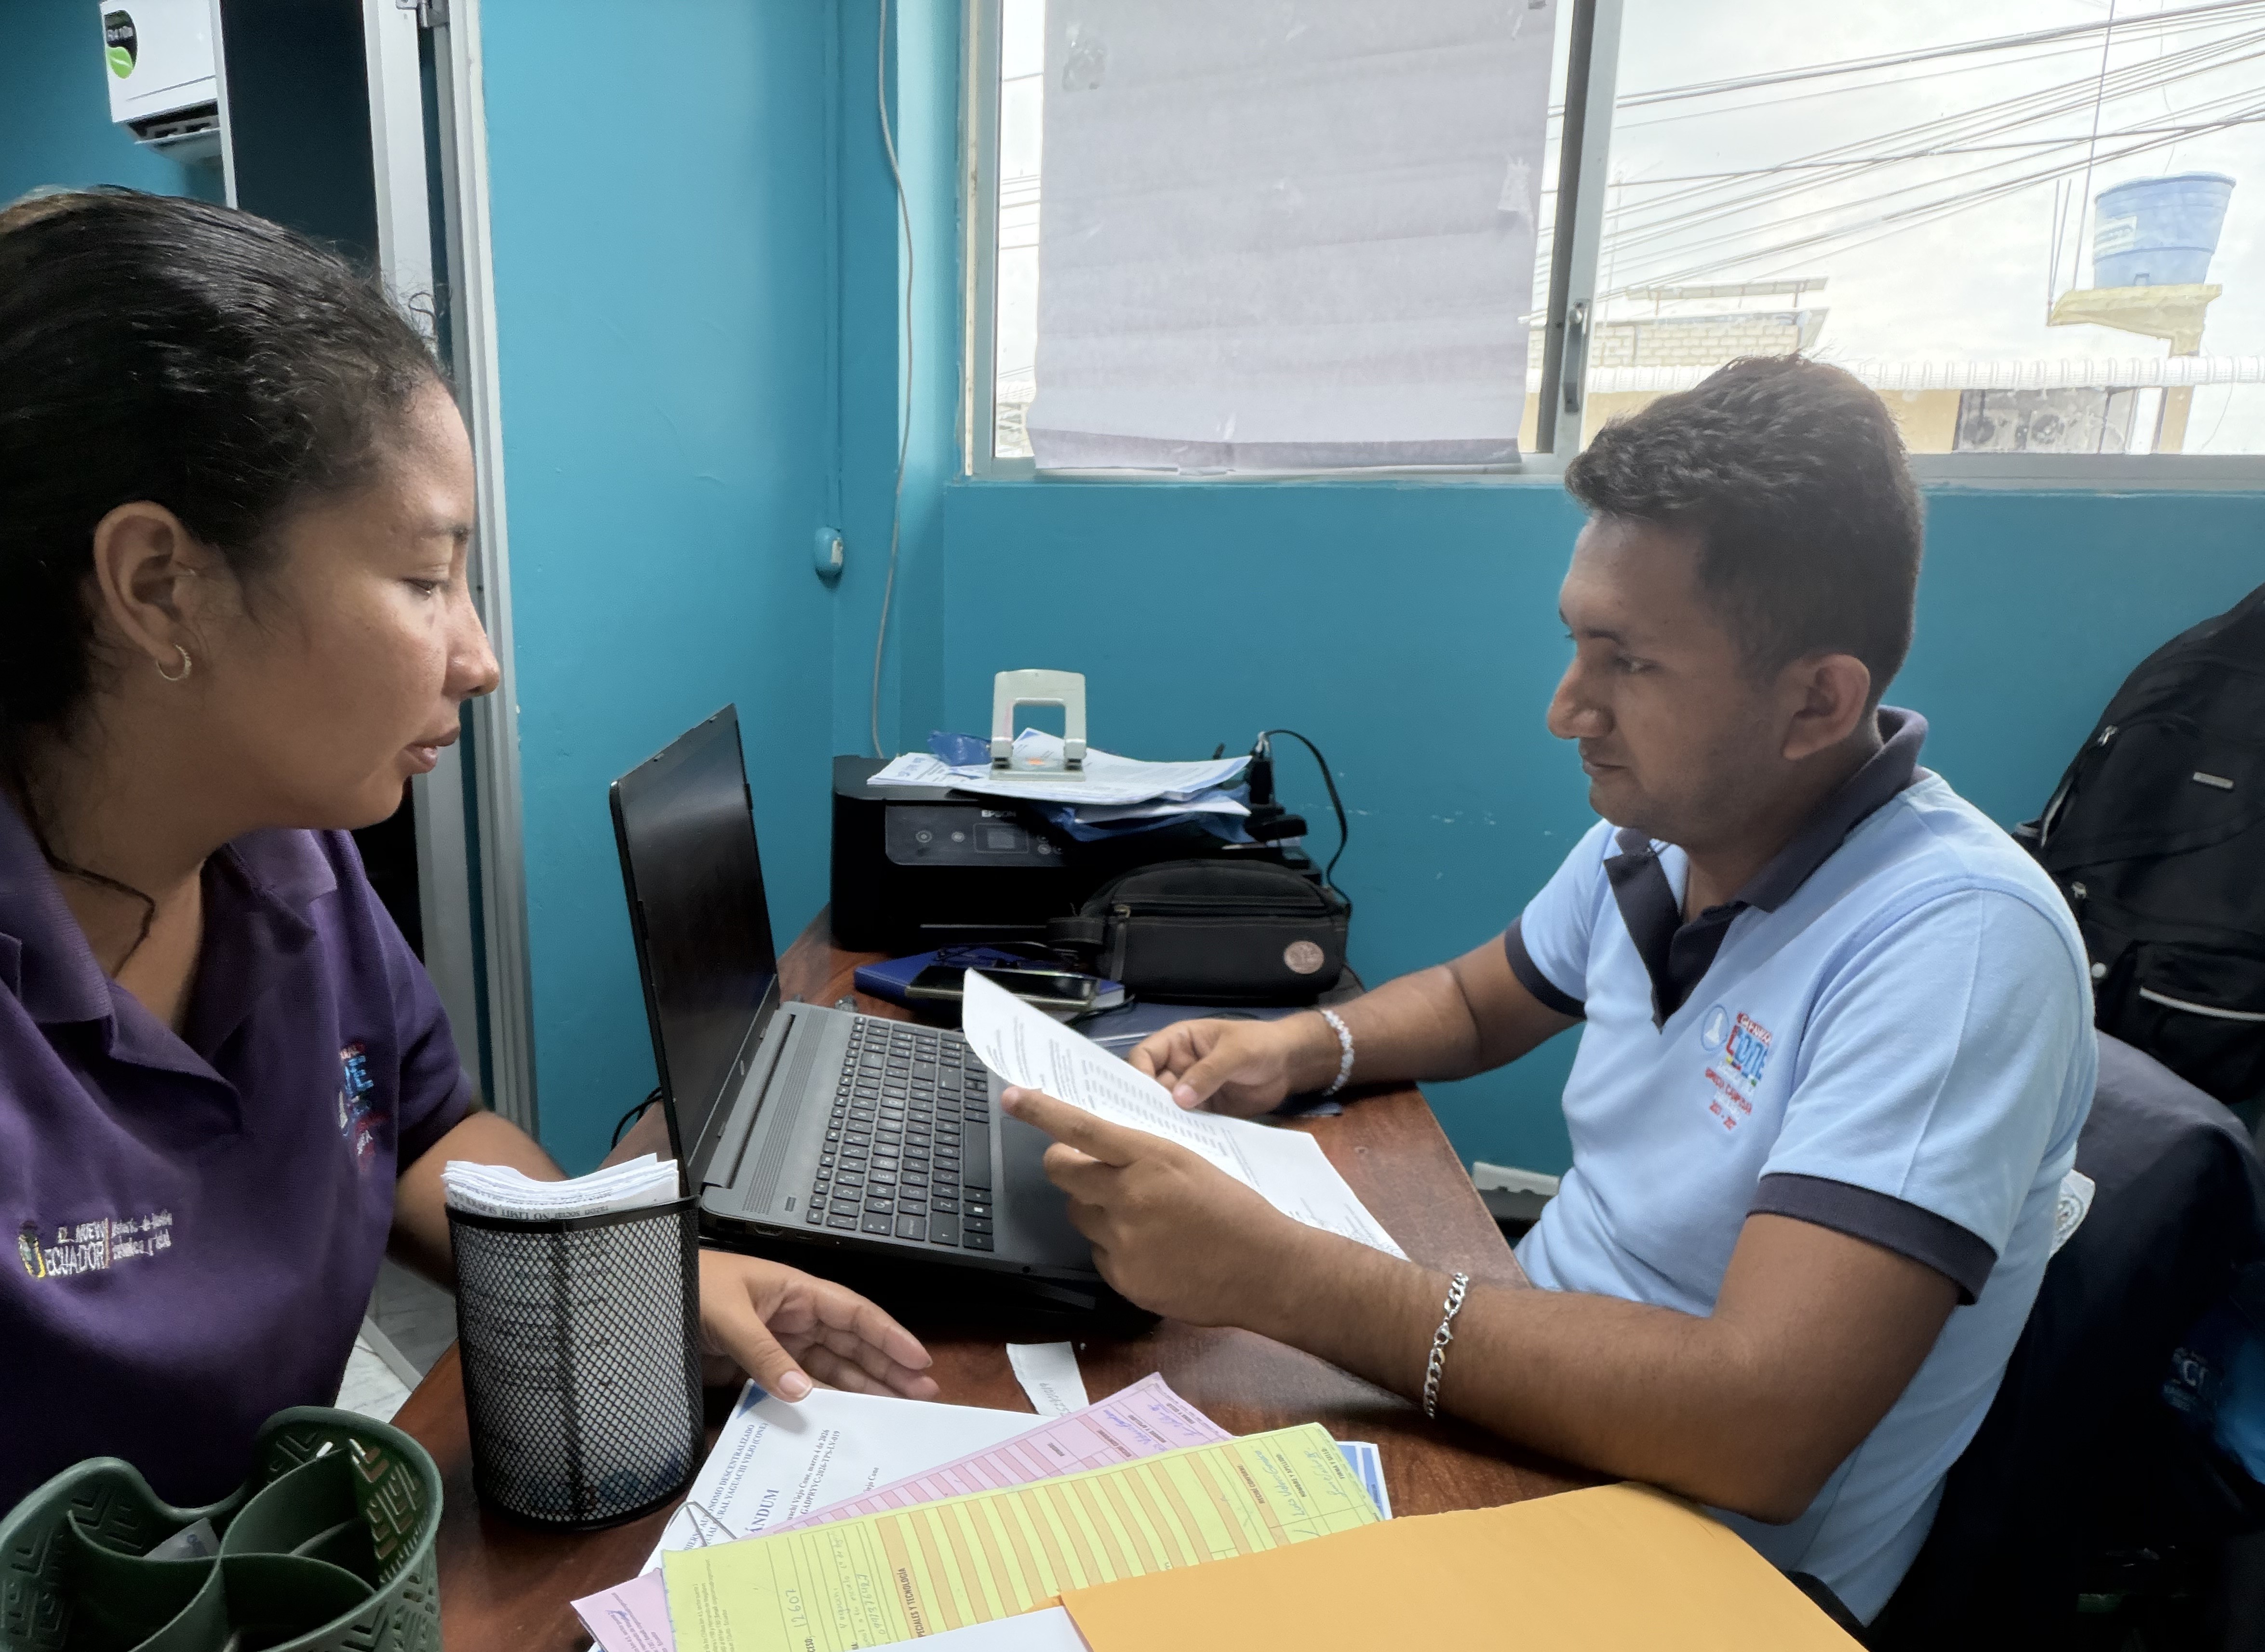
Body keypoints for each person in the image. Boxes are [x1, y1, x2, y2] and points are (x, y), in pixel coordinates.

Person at [1000, 357, 2097, 1623]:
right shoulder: (1663, 836)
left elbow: (1761, 1427)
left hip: (1701, 1566)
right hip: (1524, 1406)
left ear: (1816, 701)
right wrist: (1299, 1046)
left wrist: (1283, 1279)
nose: (1566, 709)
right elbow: (1482, 1004)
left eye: (1626, 663)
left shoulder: (1956, 946)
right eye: (1576, 643)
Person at [0, 189, 935, 1513]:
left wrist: (639, 1278)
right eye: (426, 579)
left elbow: (423, 1130)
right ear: (160, 585)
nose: (480, 659)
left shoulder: (298, 865)